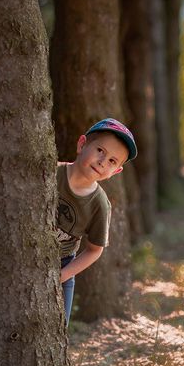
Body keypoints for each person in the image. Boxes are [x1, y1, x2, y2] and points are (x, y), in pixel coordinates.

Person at [56, 118, 137, 325]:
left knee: (55, 328)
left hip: (62, 266)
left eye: (112, 161)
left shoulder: (99, 204)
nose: (103, 161)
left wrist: (62, 275)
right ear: (82, 144)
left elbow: (95, 249)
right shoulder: (51, 173)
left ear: (115, 172)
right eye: (100, 150)